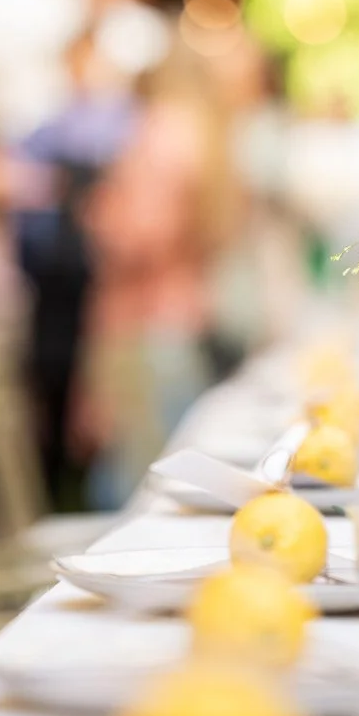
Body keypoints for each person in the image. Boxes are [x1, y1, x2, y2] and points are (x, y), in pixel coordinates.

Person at [82, 40, 239, 505]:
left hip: (143, 320)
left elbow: (141, 238)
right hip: (185, 314)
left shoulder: (161, 132)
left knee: (140, 487)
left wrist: (100, 212)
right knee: (179, 473)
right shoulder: (211, 133)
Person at [11, 25, 137, 511]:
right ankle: (59, 488)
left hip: (97, 275)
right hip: (55, 278)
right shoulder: (50, 126)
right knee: (54, 379)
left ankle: (88, 486)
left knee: (98, 380)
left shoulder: (119, 123)